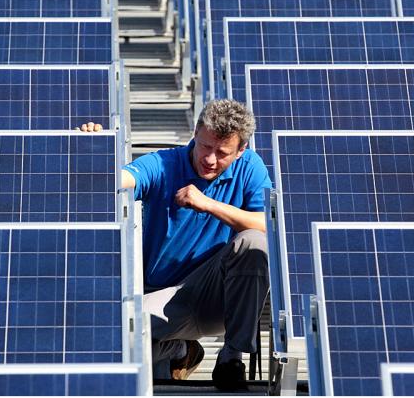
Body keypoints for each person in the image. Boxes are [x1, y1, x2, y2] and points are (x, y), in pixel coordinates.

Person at [80, 99, 271, 390]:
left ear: (241, 150)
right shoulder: (164, 164)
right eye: (206, 146)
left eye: (222, 153)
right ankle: (179, 350)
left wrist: (209, 204)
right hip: (163, 296)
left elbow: (269, 225)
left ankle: (232, 356)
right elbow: (125, 177)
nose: (210, 159)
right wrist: (92, 153)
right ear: (195, 132)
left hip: (213, 295)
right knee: (112, 340)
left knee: (255, 242)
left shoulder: (250, 168)